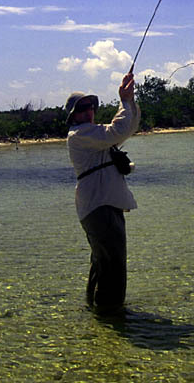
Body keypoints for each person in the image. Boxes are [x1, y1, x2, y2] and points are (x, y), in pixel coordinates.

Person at [65, 72, 140, 314]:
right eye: (82, 108)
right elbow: (118, 131)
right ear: (73, 116)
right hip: (100, 206)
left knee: (102, 262)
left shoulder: (93, 135)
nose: (89, 111)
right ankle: (112, 314)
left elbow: (128, 128)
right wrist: (124, 101)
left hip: (103, 204)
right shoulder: (80, 135)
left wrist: (130, 101)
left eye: (91, 107)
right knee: (113, 263)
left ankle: (96, 312)